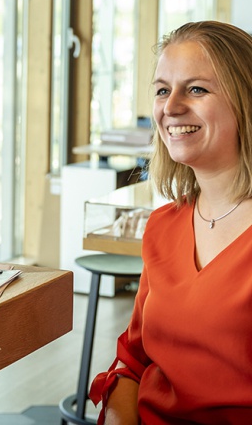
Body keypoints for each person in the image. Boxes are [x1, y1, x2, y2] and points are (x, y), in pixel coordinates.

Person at [90, 21, 252, 424]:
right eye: (163, 90)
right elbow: (132, 361)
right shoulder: (163, 225)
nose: (171, 107)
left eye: (196, 89)